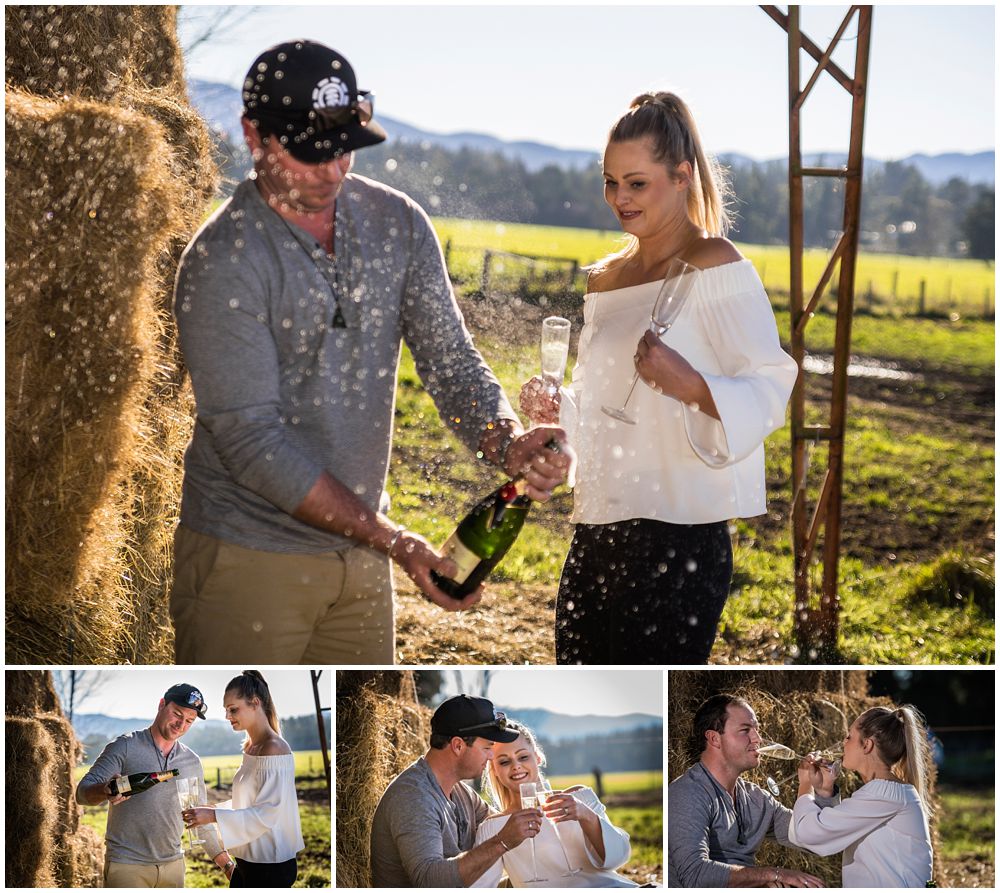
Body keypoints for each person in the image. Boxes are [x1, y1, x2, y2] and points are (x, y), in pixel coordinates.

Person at [170, 39, 571, 665]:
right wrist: (397, 541)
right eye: (309, 154)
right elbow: (253, 444)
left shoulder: (398, 224)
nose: (332, 172)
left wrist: (506, 440)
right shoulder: (223, 261)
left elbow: (451, 362)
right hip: (247, 559)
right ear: (254, 136)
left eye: (343, 149)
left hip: (361, 561)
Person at [520, 92, 797, 665]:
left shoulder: (716, 264)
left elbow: (772, 387)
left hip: (682, 533)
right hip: (598, 527)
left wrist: (693, 386)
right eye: (610, 182)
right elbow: (604, 403)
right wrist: (560, 409)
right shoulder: (604, 279)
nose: (619, 198)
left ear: (681, 176)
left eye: (637, 183)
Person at [370, 695, 542, 887]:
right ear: (458, 745)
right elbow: (429, 881)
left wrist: (567, 798)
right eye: (487, 747)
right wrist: (501, 842)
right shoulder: (412, 797)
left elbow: (503, 823)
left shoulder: (461, 793)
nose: (491, 755)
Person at [75, 684, 234, 887]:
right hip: (127, 866)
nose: (181, 725)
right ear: (161, 704)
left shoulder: (191, 761)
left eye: (189, 721)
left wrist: (228, 866)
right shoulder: (124, 746)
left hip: (174, 866)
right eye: (177, 714)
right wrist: (105, 790)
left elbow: (198, 819)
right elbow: (81, 793)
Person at [667, 694, 826, 888]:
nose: (757, 739)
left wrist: (818, 788)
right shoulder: (687, 794)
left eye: (757, 729)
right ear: (714, 738)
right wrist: (773, 875)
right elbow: (695, 875)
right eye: (745, 730)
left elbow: (814, 838)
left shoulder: (756, 799)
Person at [474, 718, 636, 887]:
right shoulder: (491, 829)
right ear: (494, 770)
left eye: (523, 757)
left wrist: (586, 815)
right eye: (504, 761)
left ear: (537, 758)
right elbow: (482, 886)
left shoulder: (581, 798)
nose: (516, 766)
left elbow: (618, 859)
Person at [182, 671, 304, 887]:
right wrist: (212, 809)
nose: (228, 716)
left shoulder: (274, 749)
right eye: (226, 710)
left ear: (255, 703)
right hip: (247, 863)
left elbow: (267, 813)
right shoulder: (251, 747)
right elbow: (250, 803)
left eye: (233, 709)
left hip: (270, 867)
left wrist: (214, 815)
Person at [790, 705, 934, 887]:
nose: (843, 742)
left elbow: (811, 834)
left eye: (849, 736)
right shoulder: (888, 793)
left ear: (867, 745)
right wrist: (825, 792)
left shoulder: (884, 795)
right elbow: (837, 833)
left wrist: (805, 785)